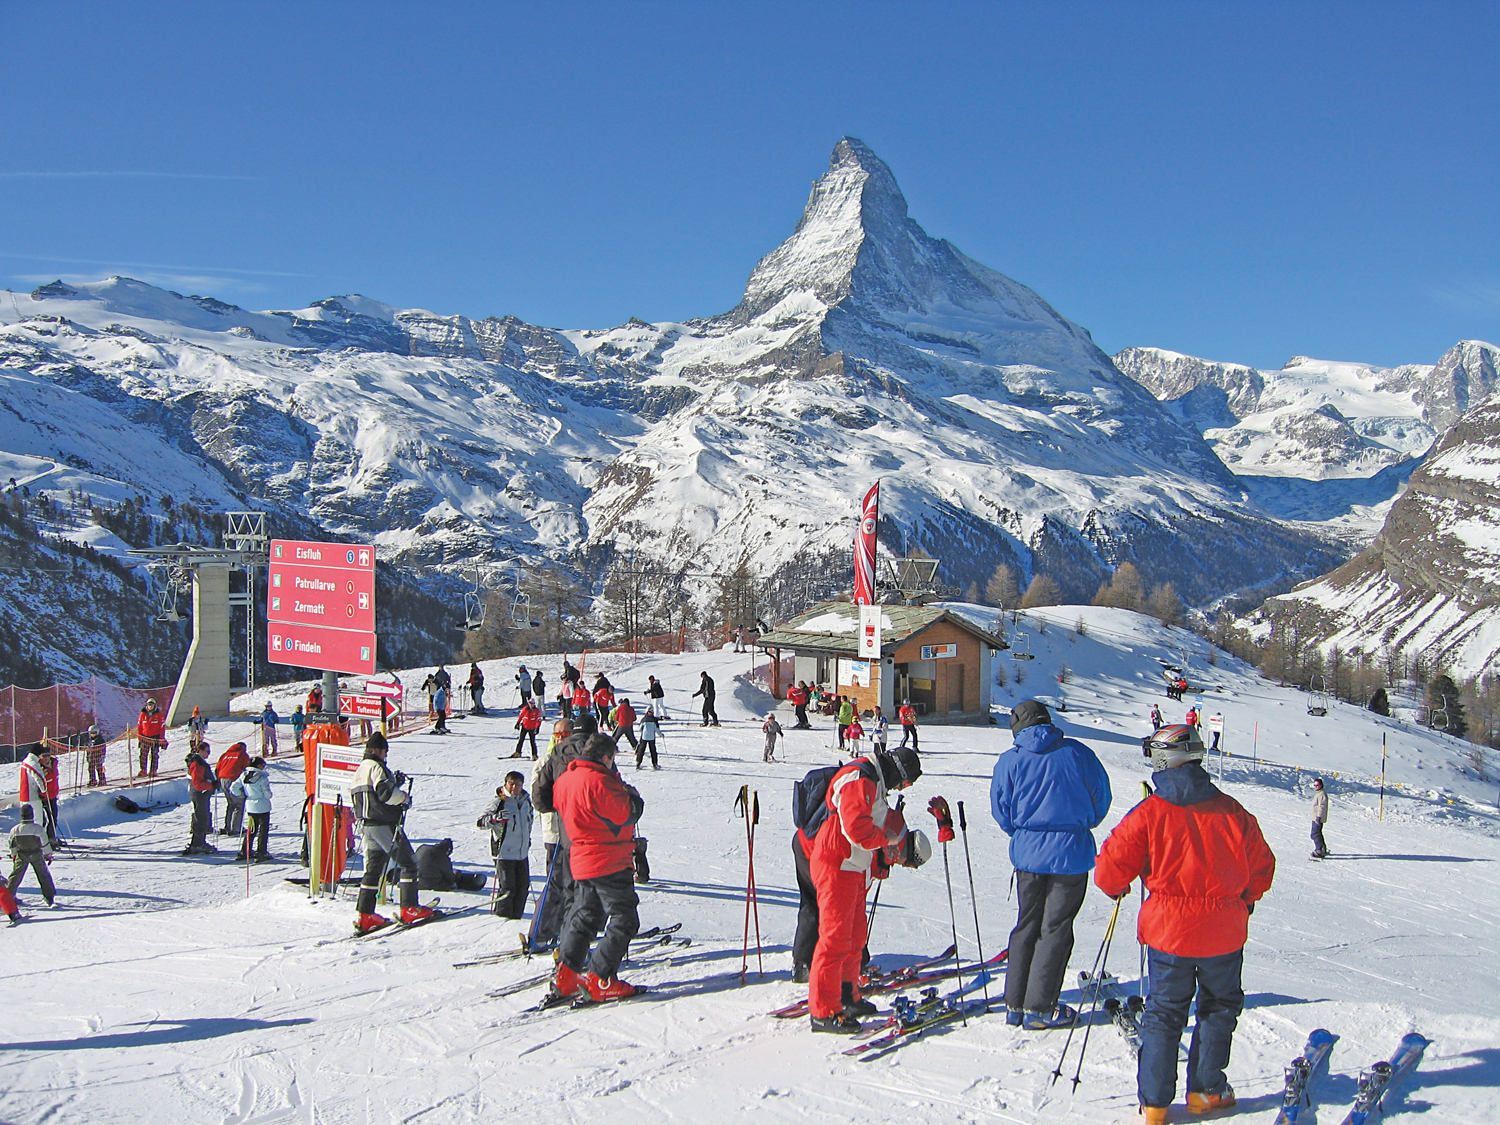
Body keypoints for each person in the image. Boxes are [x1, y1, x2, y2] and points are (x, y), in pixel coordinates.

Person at [1094, 724, 1276, 1123]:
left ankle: (1156, 1103)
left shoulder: (1150, 813)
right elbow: (1262, 867)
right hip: (1223, 932)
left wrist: (1120, 884)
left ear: (1163, 761)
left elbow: (1109, 871)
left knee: (1164, 1013)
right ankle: (1207, 1091)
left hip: (1169, 933)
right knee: (1218, 1007)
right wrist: (1243, 901)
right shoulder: (1233, 811)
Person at [991, 699, 1112, 1029]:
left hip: (1028, 854)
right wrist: (1079, 822)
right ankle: (1040, 1008)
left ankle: (1014, 1004)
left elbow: (1001, 810)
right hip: (1070, 854)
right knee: (1055, 929)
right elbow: (1101, 799)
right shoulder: (1078, 753)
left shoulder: (1010, 760)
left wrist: (1023, 833)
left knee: (1026, 924)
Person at [806, 746, 929, 1032]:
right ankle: (824, 1011)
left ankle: (847, 995)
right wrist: (883, 840)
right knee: (835, 938)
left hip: (853, 866)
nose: (903, 787)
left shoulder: (873, 780)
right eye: (905, 782)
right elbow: (856, 827)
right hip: (837, 862)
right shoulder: (861, 778)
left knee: (854, 937)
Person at [546, 733, 646, 1003]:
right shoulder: (600, 780)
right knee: (624, 918)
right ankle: (601, 977)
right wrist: (633, 798)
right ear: (605, 757)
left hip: (580, 855)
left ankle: (566, 974)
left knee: (586, 915)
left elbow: (556, 803)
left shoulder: (566, 778)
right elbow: (625, 812)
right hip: (608, 857)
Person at [350, 731, 434, 932]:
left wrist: (394, 783)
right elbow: (386, 794)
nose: (385, 755)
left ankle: (365, 914)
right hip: (384, 823)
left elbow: (369, 794)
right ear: (378, 750)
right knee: (409, 863)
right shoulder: (377, 767)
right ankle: (409, 907)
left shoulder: (360, 769)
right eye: (384, 752)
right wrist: (403, 798)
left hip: (367, 825)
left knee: (373, 869)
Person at [531, 715, 597, 946]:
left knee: (563, 884)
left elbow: (540, 797)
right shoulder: (593, 752)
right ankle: (551, 934)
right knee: (570, 885)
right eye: (557, 735)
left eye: (564, 734)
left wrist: (560, 808)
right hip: (578, 833)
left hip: (561, 830)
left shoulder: (554, 756)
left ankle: (554, 932)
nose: (560, 739)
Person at [478, 770, 534, 918]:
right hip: (504, 852)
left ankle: (516, 917)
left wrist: (527, 840)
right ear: (506, 784)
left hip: (521, 852)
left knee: (522, 887)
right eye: (511, 783)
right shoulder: (499, 802)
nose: (514, 787)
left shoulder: (525, 800)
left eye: (518, 784)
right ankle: (502, 917)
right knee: (508, 888)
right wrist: (495, 819)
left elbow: (529, 820)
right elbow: (480, 822)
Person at [8, 805, 55, 909]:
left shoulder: (15, 830)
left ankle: (9, 896)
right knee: (43, 875)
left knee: (15, 876)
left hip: (22, 854)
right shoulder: (38, 829)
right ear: (32, 815)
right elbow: (44, 843)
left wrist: (14, 855)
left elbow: (12, 844)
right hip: (36, 854)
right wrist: (49, 854)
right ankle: (49, 896)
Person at [231, 756, 273, 861]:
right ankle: (261, 851)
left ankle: (245, 850)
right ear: (258, 765)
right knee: (263, 830)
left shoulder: (244, 775)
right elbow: (267, 793)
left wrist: (241, 794)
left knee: (252, 829)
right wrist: (269, 795)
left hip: (250, 805)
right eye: (262, 764)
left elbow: (233, 787)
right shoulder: (262, 777)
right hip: (262, 805)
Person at [183, 746, 218, 856]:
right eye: (207, 751)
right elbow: (197, 783)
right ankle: (197, 844)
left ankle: (199, 841)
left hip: (201, 793)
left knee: (202, 817)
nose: (208, 754)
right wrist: (211, 785)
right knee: (201, 818)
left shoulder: (199, 762)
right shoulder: (197, 763)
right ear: (201, 751)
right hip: (199, 793)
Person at [18, 747, 55, 844]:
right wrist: (44, 789)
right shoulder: (33, 763)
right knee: (38, 821)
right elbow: (39, 777)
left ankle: (28, 841)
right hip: (32, 796)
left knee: (27, 821)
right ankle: (36, 843)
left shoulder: (26, 760)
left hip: (25, 795)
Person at [216, 741, 251, 837]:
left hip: (223, 779)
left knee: (231, 804)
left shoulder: (225, 755)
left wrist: (217, 780)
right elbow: (246, 769)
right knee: (239, 804)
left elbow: (218, 767)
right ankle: (236, 828)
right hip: (234, 779)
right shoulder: (242, 754)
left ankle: (228, 826)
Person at [137, 698, 166, 777]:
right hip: (145, 737)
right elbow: (139, 726)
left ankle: (153, 771)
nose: (150, 706)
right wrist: (139, 737)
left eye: (152, 705)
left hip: (155, 738)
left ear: (154, 705)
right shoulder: (142, 714)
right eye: (149, 705)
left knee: (154, 755)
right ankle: (143, 770)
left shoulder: (159, 715)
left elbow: (162, 727)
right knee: (143, 755)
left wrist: (161, 738)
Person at [1310, 777, 1330, 859]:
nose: (1316, 787)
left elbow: (1322, 807)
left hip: (1318, 818)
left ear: (1321, 785)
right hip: (1315, 817)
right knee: (1316, 833)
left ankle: (1319, 850)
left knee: (1315, 834)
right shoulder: (1319, 794)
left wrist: (1318, 817)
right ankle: (1322, 848)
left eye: (1317, 785)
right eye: (1314, 785)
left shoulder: (1322, 795)